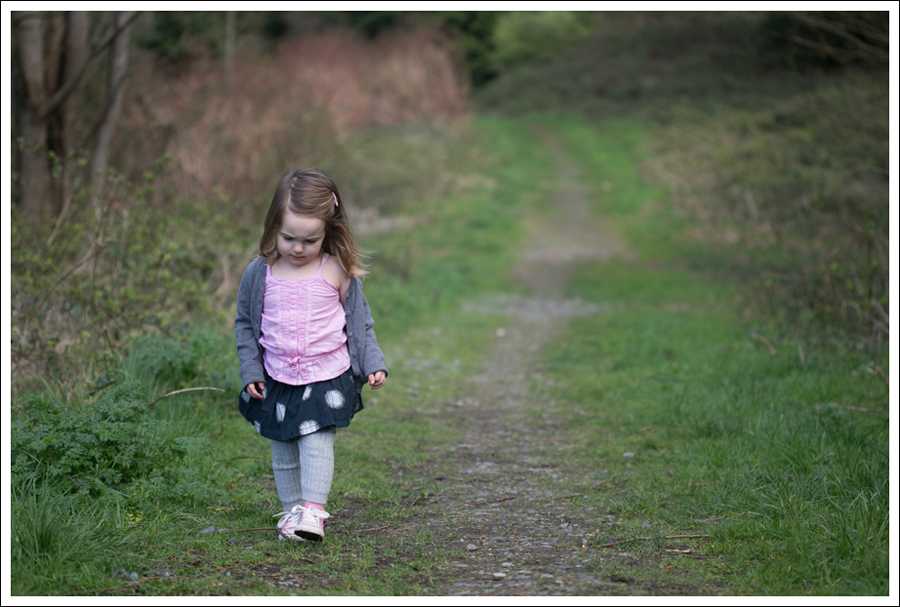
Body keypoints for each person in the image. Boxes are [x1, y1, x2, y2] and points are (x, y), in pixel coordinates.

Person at [234, 168, 387, 542]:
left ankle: (313, 511)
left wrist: (373, 362)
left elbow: (360, 322)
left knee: (316, 443)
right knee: (283, 448)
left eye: (310, 240)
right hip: (277, 377)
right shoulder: (260, 274)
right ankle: (290, 513)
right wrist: (250, 368)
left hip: (326, 375)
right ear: (273, 228)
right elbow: (245, 324)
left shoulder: (336, 270)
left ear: (327, 233)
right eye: (289, 238)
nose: (298, 248)